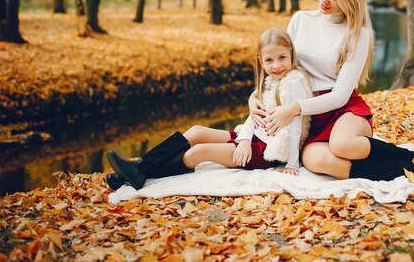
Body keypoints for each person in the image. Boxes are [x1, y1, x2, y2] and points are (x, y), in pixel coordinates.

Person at [250, 0, 414, 182]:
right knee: (317, 161)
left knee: (343, 145)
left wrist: (294, 108)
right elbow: (280, 68)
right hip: (306, 117)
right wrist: (254, 97)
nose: (324, 0)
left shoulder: (358, 34)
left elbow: (340, 95)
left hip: (341, 109)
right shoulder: (300, 20)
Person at [105, 28, 312, 190]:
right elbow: (254, 117)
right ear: (260, 61)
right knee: (196, 131)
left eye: (282, 58)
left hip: (267, 151)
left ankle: (140, 173)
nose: (276, 65)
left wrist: (292, 164)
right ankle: (137, 168)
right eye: (269, 60)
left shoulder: (294, 83)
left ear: (291, 54)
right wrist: (244, 140)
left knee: (200, 152)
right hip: (252, 138)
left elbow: (296, 127)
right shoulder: (269, 81)